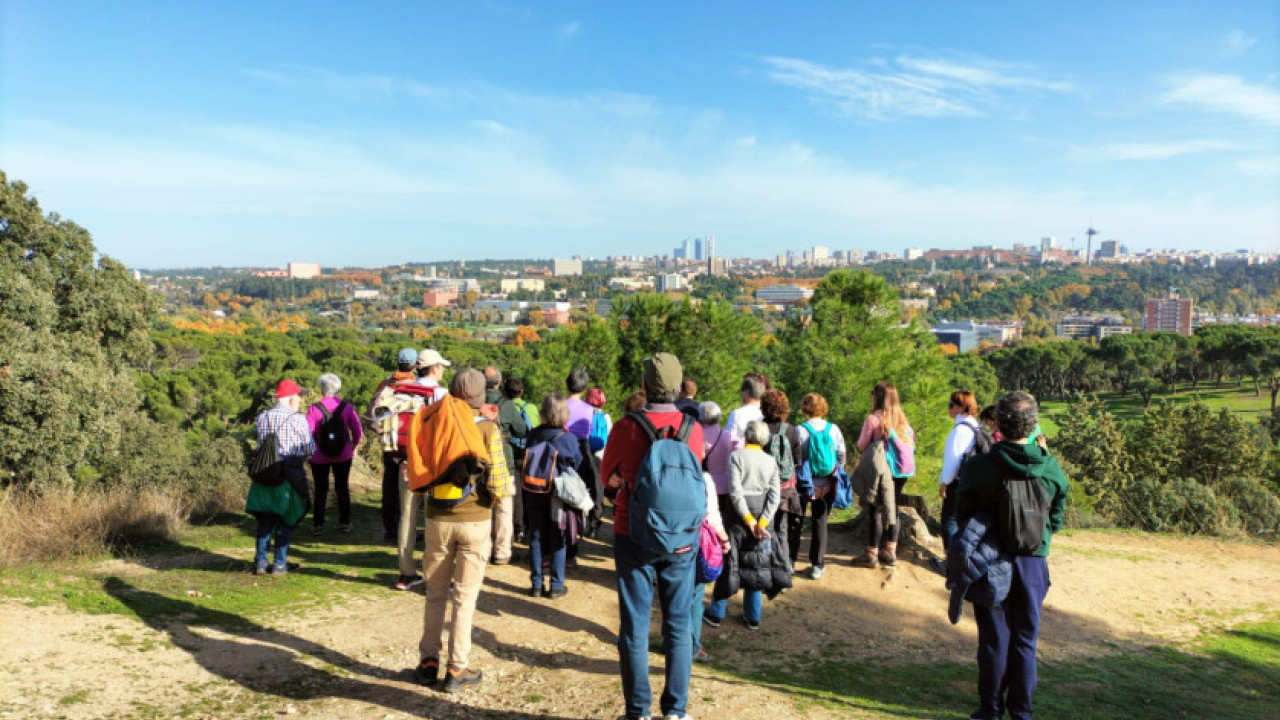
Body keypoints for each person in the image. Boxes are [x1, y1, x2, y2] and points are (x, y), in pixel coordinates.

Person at [601, 352, 705, 720]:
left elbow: (606, 476)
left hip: (634, 532)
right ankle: (676, 710)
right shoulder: (694, 429)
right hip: (682, 538)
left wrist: (620, 480)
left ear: (644, 387)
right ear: (678, 388)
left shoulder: (626, 427)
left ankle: (638, 711)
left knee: (635, 625)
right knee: (677, 625)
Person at [955, 391, 1068, 720]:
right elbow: (1057, 514)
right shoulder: (1049, 465)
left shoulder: (980, 466)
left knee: (993, 641)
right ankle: (1022, 712)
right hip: (1033, 561)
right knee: (1025, 640)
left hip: (990, 561)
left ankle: (990, 711)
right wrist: (1042, 536)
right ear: (1033, 424)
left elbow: (964, 513)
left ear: (999, 423)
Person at [411, 368, 512, 694]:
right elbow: (497, 481)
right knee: (465, 599)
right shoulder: (486, 427)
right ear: (481, 396)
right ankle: (457, 667)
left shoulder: (434, 421)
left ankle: (428, 663)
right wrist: (495, 499)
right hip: (475, 520)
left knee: (435, 594)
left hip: (438, 519)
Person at [706, 420, 780, 630]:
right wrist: (761, 522)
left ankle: (716, 613)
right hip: (762, 515)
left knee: (729, 561)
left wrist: (748, 520)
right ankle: (753, 616)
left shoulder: (736, 457)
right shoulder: (770, 461)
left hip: (737, 516)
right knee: (757, 562)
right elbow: (775, 496)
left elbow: (735, 492)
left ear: (747, 436)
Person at [393, 348, 451, 591]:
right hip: (432, 464)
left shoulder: (400, 392)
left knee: (407, 515)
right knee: (434, 518)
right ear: (435, 368)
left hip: (406, 462)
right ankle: (434, 576)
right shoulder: (442, 394)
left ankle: (406, 573)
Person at [247, 380, 313, 575]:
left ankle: (260, 562)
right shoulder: (298, 419)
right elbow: (310, 449)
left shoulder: (262, 417)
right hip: (289, 475)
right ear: (292, 398)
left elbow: (260, 445)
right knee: (287, 517)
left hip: (265, 473)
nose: (300, 400)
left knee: (265, 518)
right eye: (299, 396)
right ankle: (279, 563)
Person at [522, 393, 582, 598]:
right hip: (558, 493)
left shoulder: (533, 435)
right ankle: (556, 585)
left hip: (534, 489)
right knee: (559, 535)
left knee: (536, 536)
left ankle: (536, 584)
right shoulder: (568, 438)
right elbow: (577, 462)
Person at [854, 381, 916, 568]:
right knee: (893, 507)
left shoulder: (873, 419)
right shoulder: (902, 420)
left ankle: (871, 554)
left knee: (875, 510)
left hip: (882, 471)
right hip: (901, 471)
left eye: (872, 393)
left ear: (877, 397)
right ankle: (890, 551)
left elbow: (861, 445)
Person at [793, 393, 847, 578]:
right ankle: (817, 565)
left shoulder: (800, 430)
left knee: (796, 522)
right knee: (820, 522)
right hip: (826, 483)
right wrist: (830, 481)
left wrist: (805, 481)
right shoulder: (834, 429)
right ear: (823, 408)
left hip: (804, 484)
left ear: (805, 408)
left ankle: (789, 562)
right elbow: (841, 457)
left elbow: (796, 459)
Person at [368, 348, 419, 544]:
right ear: (415, 366)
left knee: (389, 486)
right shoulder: (419, 385)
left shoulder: (386, 384)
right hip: (411, 443)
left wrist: (381, 433)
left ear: (398, 362)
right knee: (409, 489)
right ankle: (408, 529)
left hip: (390, 443)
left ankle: (391, 528)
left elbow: (372, 414)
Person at [305, 373, 364, 535]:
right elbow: (358, 429)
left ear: (322, 389)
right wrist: (354, 445)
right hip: (343, 454)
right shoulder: (347, 407)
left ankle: (318, 524)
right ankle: (345, 522)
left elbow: (308, 433)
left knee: (320, 489)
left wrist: (309, 451)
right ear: (338, 388)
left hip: (319, 456)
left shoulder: (314, 409)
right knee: (342, 488)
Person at [485, 366, 527, 565]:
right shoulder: (507, 405)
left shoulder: (472, 402)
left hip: (478, 458)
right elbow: (521, 430)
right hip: (504, 459)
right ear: (499, 382)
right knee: (504, 507)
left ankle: (482, 548)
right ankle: (502, 551)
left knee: (482, 505)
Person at [760, 389, 801, 577]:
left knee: (766, 529)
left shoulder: (758, 429)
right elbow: (797, 461)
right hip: (785, 488)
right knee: (782, 529)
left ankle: (766, 568)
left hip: (763, 488)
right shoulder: (790, 430)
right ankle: (783, 570)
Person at [938, 390, 982, 552]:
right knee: (965, 523)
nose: (949, 408)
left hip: (958, 483)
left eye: (951, 405)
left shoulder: (959, 431)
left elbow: (952, 462)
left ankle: (951, 562)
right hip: (974, 483)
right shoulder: (976, 427)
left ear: (962, 408)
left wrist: (944, 484)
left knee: (949, 521)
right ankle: (963, 559)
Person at [502, 376, 536, 545]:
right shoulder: (531, 408)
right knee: (526, 492)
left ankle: (517, 527)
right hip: (527, 455)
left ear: (504, 392)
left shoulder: (501, 407)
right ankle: (526, 527)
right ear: (521, 392)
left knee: (513, 492)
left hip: (507, 453)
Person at [724, 373, 766, 450]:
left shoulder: (737, 414)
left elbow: (727, 441)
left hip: (740, 458)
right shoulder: (765, 414)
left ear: (746, 392)